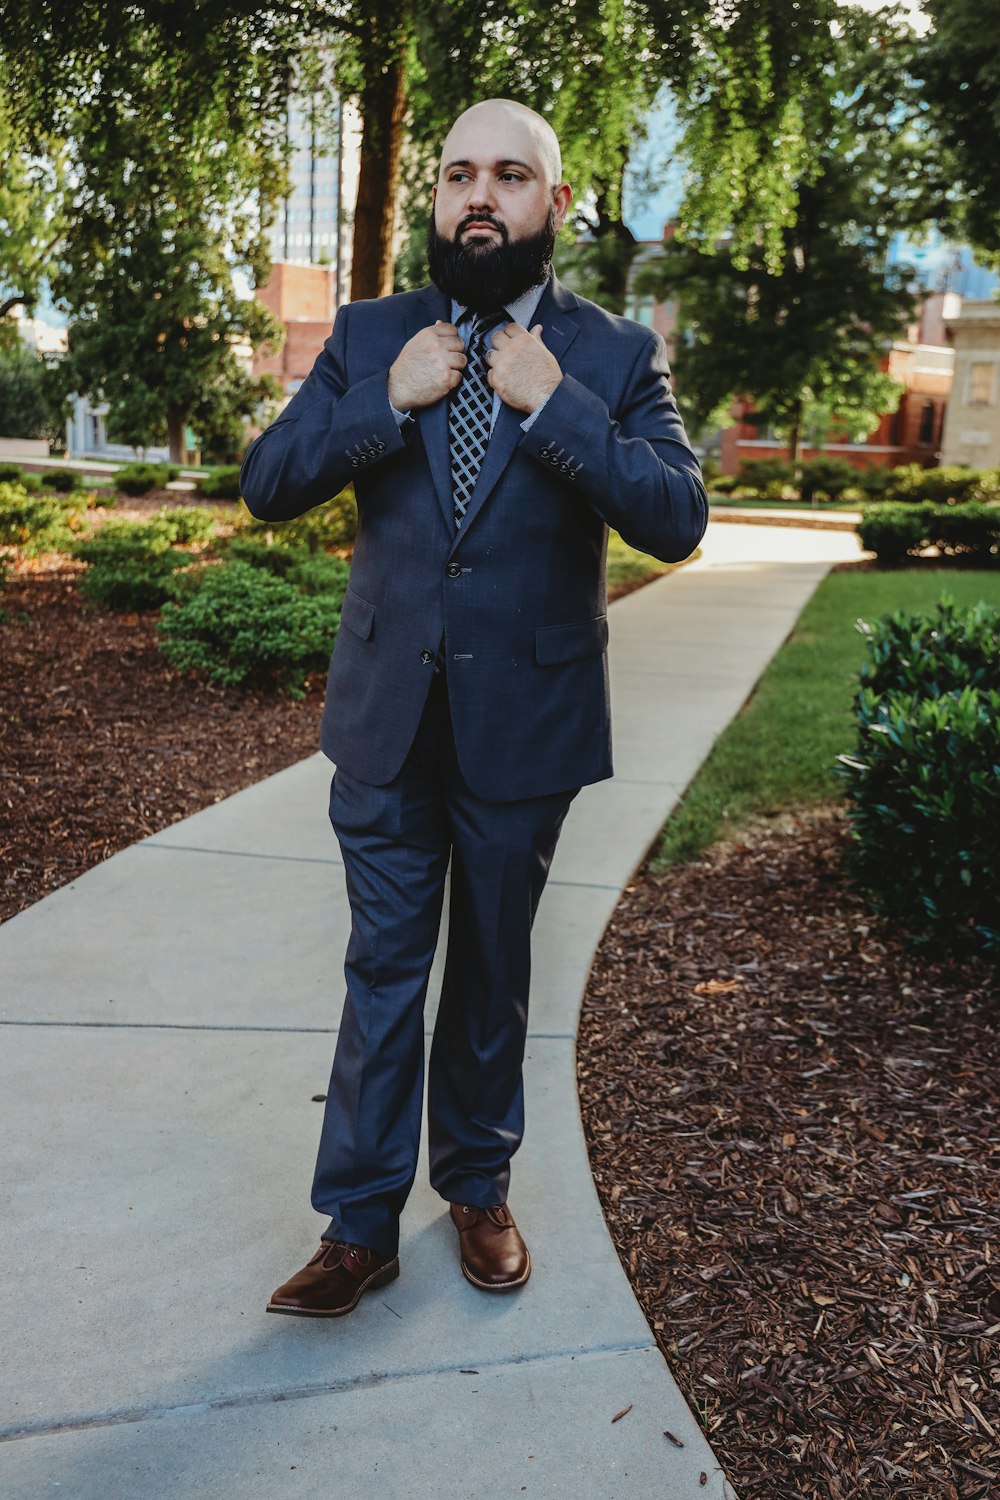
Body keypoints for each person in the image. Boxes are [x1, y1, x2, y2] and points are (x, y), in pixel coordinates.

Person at [240, 98, 707, 1318]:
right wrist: (382, 400)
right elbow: (269, 484)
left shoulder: (610, 354)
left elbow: (676, 518)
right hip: (388, 717)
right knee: (382, 971)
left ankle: (480, 1187)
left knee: (493, 972)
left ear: (554, 204)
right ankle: (355, 1226)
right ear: (437, 200)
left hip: (527, 724)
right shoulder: (368, 334)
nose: (479, 196)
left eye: (510, 175)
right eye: (458, 175)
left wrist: (555, 406)